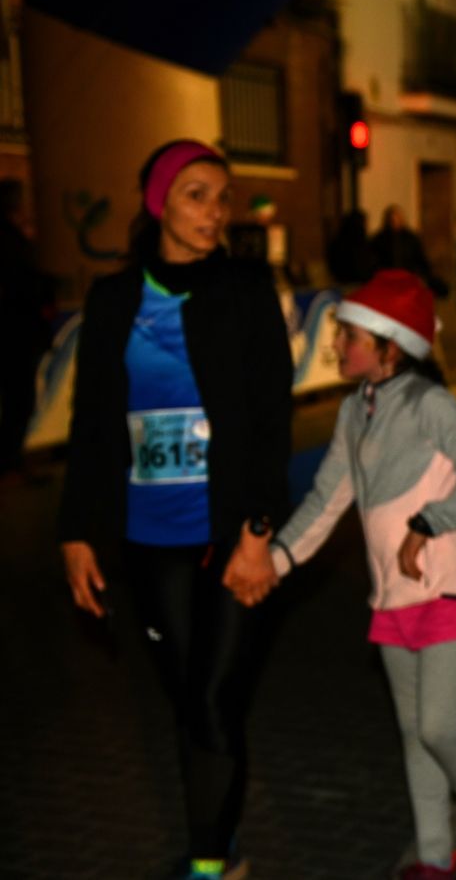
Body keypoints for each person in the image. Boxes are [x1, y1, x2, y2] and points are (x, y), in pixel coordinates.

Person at [222, 269, 456, 880]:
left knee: (438, 725)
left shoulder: (428, 402)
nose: (337, 347)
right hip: (392, 597)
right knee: (413, 734)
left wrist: (428, 523)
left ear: (387, 343)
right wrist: (269, 564)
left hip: (449, 590)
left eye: (348, 335)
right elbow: (327, 500)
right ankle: (434, 856)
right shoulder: (356, 410)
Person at [59, 140, 292, 880]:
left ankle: (208, 864)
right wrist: (75, 530)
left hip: (230, 534)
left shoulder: (246, 288)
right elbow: (92, 422)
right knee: (190, 699)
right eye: (197, 193)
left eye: (222, 196)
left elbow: (269, 420)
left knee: (216, 698)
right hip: (148, 537)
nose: (214, 210)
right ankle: (211, 847)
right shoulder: (114, 299)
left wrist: (258, 531)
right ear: (158, 201)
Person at [0, 178, 51, 481]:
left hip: (14, 331)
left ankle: (10, 461)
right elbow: (23, 284)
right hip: (15, 333)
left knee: (16, 399)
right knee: (19, 399)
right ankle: (10, 463)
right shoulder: (11, 241)